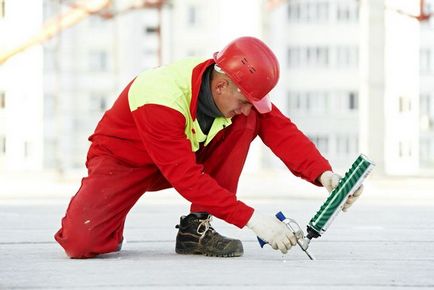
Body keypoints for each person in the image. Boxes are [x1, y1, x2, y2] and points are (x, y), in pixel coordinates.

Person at [54, 36, 363, 259]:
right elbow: (186, 178)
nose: (245, 108)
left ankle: (195, 230)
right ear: (220, 86)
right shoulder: (160, 97)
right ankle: (105, 224)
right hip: (124, 161)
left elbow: (281, 130)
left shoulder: (237, 92)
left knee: (250, 121)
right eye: (243, 101)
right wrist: (253, 219)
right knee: (81, 243)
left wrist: (324, 176)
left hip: (181, 154)